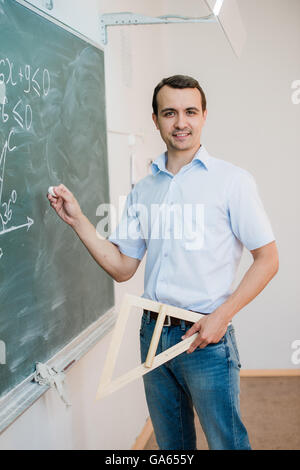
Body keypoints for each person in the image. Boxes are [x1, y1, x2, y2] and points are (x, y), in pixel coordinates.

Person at [48, 75, 279, 450]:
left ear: (204, 116)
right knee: (172, 447)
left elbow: (268, 259)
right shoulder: (145, 189)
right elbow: (123, 266)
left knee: (227, 444)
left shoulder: (232, 182)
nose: (181, 122)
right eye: (169, 113)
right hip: (152, 336)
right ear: (155, 119)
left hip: (206, 339)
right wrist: (78, 221)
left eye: (190, 111)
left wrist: (221, 316)